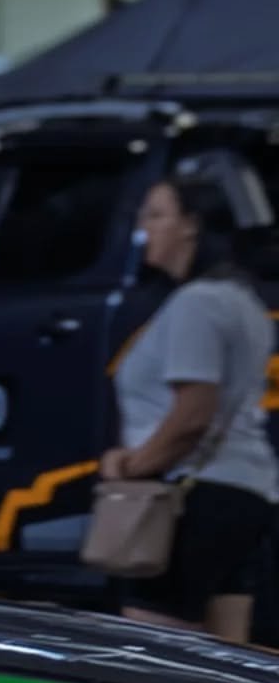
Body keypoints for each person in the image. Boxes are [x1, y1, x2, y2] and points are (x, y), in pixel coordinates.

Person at [102, 175, 279, 643]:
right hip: (244, 493)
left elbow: (193, 413)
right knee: (225, 664)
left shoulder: (195, 304)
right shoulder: (243, 302)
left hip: (190, 499)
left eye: (157, 215)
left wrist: (131, 465)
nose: (143, 229)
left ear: (191, 227)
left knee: (155, 653)